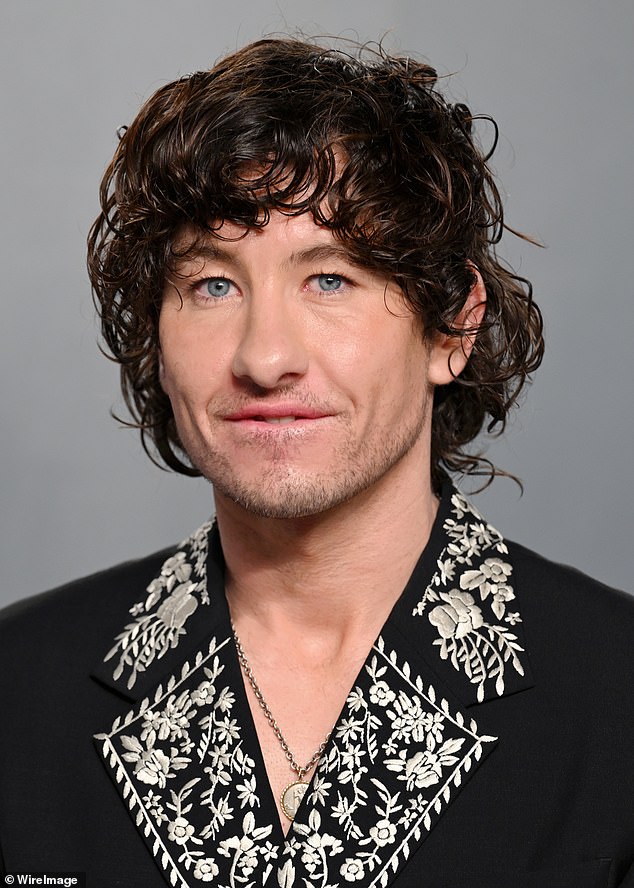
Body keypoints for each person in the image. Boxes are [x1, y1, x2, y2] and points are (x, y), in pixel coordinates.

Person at [0, 36, 632, 888]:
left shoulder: (616, 689)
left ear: (452, 325)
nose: (264, 358)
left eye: (330, 279)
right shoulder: (16, 682)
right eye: (213, 285)